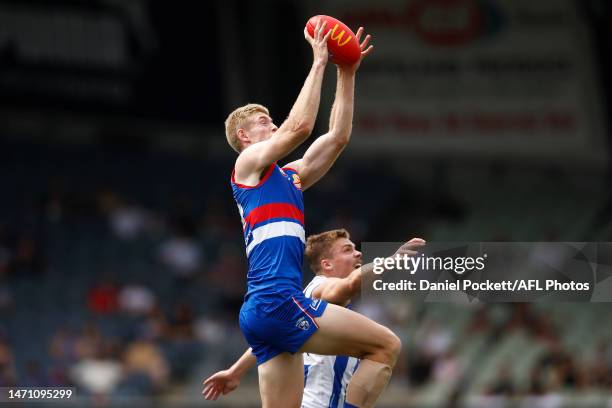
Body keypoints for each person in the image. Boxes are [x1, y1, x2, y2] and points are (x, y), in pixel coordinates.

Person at [225, 19, 405, 408]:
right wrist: (320, 61)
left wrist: (347, 72)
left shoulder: (288, 177)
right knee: (386, 346)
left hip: (261, 311)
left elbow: (337, 137)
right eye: (263, 122)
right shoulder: (247, 165)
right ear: (244, 137)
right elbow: (300, 127)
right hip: (277, 300)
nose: (272, 125)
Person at [203, 229, 426, 407]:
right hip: (318, 403)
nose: (358, 253)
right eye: (347, 250)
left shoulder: (303, 308)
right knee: (388, 344)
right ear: (326, 264)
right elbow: (347, 286)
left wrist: (236, 371)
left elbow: (273, 339)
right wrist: (390, 261)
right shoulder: (320, 289)